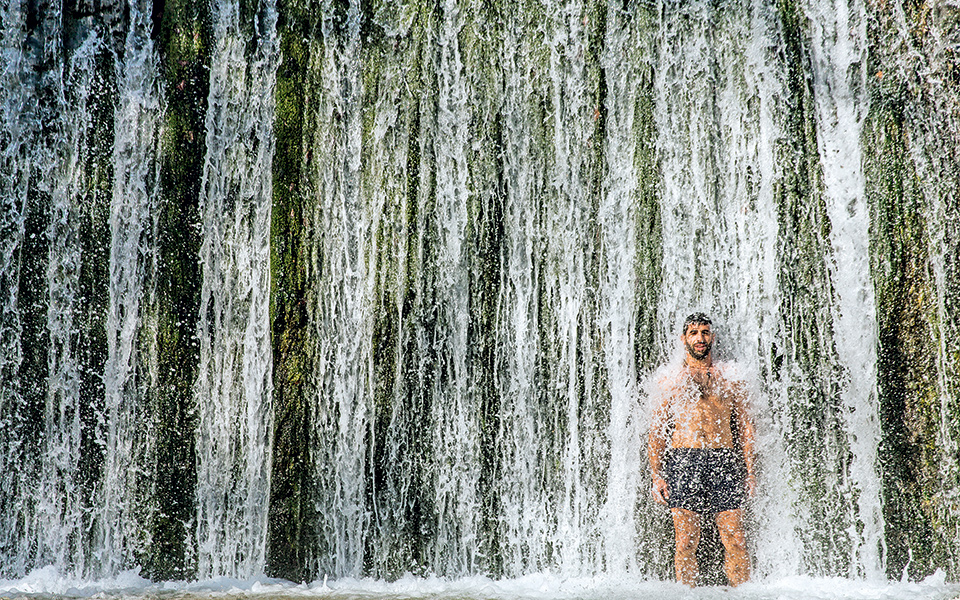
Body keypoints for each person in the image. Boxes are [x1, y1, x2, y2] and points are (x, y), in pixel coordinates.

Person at [647, 313, 756, 587]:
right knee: (685, 541)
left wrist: (750, 471)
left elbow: (745, 426)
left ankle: (742, 592)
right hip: (684, 459)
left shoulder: (730, 377)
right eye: (694, 333)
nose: (700, 338)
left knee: (736, 539)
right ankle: (687, 594)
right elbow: (657, 431)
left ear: (713, 337)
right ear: (683, 338)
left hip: (724, 459)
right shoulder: (670, 379)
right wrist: (657, 476)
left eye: (705, 332)